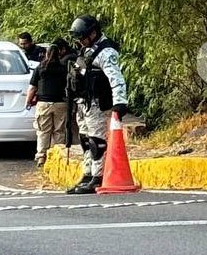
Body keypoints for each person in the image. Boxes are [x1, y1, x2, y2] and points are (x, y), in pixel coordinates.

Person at [65, 15, 129, 194]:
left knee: (96, 141)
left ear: (92, 34)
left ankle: (97, 177)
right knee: (85, 139)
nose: (79, 41)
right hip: (84, 102)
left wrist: (119, 102)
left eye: (81, 36)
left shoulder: (105, 52)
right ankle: (87, 174)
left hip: (97, 104)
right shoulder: (86, 50)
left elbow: (116, 78)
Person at [25, 38, 71, 167]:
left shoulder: (41, 67)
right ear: (59, 53)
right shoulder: (63, 68)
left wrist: (28, 101)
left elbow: (33, 87)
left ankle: (41, 157)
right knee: (59, 131)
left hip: (44, 103)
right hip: (61, 103)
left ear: (46, 53)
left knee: (43, 131)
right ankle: (58, 157)